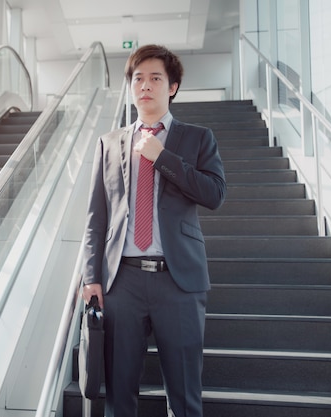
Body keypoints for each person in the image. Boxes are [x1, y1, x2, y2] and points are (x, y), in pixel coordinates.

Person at [81, 44, 226, 417]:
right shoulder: (108, 143)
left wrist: (162, 157)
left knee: (184, 394)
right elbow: (97, 217)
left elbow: (214, 194)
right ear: (131, 87)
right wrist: (90, 276)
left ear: (172, 87)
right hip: (121, 282)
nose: (145, 85)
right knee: (119, 395)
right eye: (138, 78)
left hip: (178, 282)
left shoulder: (197, 138)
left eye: (156, 78)